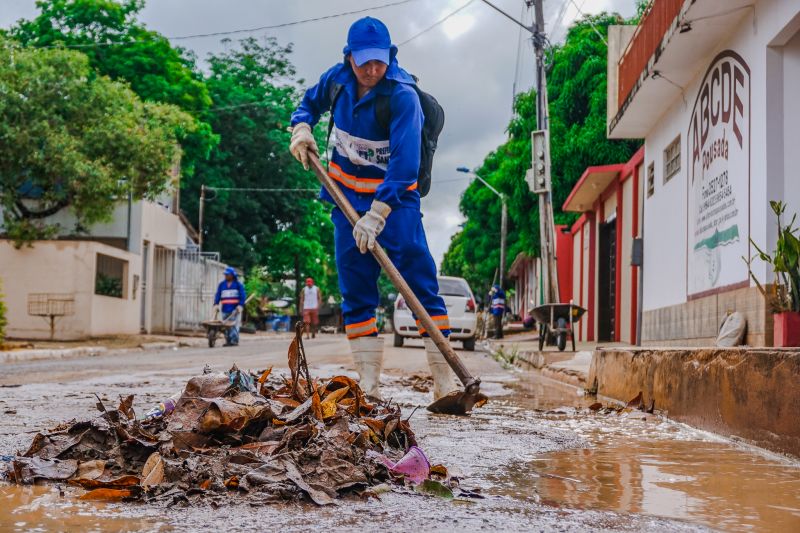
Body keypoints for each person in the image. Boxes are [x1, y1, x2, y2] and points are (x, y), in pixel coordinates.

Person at [289, 16, 458, 400]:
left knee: (419, 281)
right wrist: (301, 127)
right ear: (349, 57)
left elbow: (404, 164)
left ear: (389, 56)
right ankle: (369, 383)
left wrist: (378, 215)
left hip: (395, 203)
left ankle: (444, 382)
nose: (371, 69)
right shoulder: (336, 81)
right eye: (364, 61)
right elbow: (307, 105)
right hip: (344, 198)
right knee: (356, 289)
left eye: (378, 61)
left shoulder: (402, 96)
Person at [213, 267, 246, 346]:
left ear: (232, 275)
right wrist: (216, 304)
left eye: (227, 274)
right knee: (226, 326)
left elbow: (243, 296)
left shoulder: (238, 285)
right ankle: (228, 340)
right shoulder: (222, 285)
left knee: (234, 325)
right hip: (225, 308)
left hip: (235, 309)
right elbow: (218, 295)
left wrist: (240, 305)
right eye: (225, 274)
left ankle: (234, 341)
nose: (226, 276)